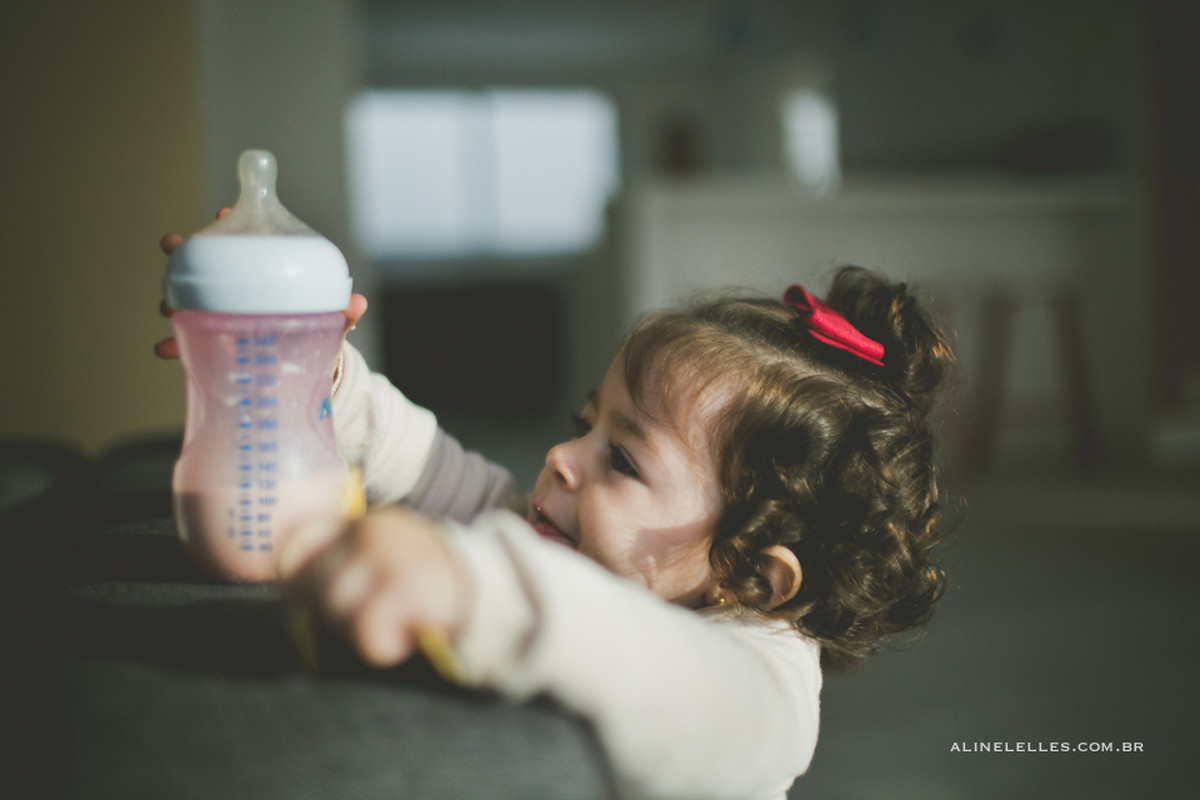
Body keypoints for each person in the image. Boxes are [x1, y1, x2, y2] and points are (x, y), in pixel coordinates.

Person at [157, 236, 955, 799]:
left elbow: (669, 678)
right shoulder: (566, 540)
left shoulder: (766, 689)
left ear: (750, 575)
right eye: (585, 426)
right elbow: (435, 471)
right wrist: (316, 372)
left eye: (624, 460)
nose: (561, 459)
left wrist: (475, 590)